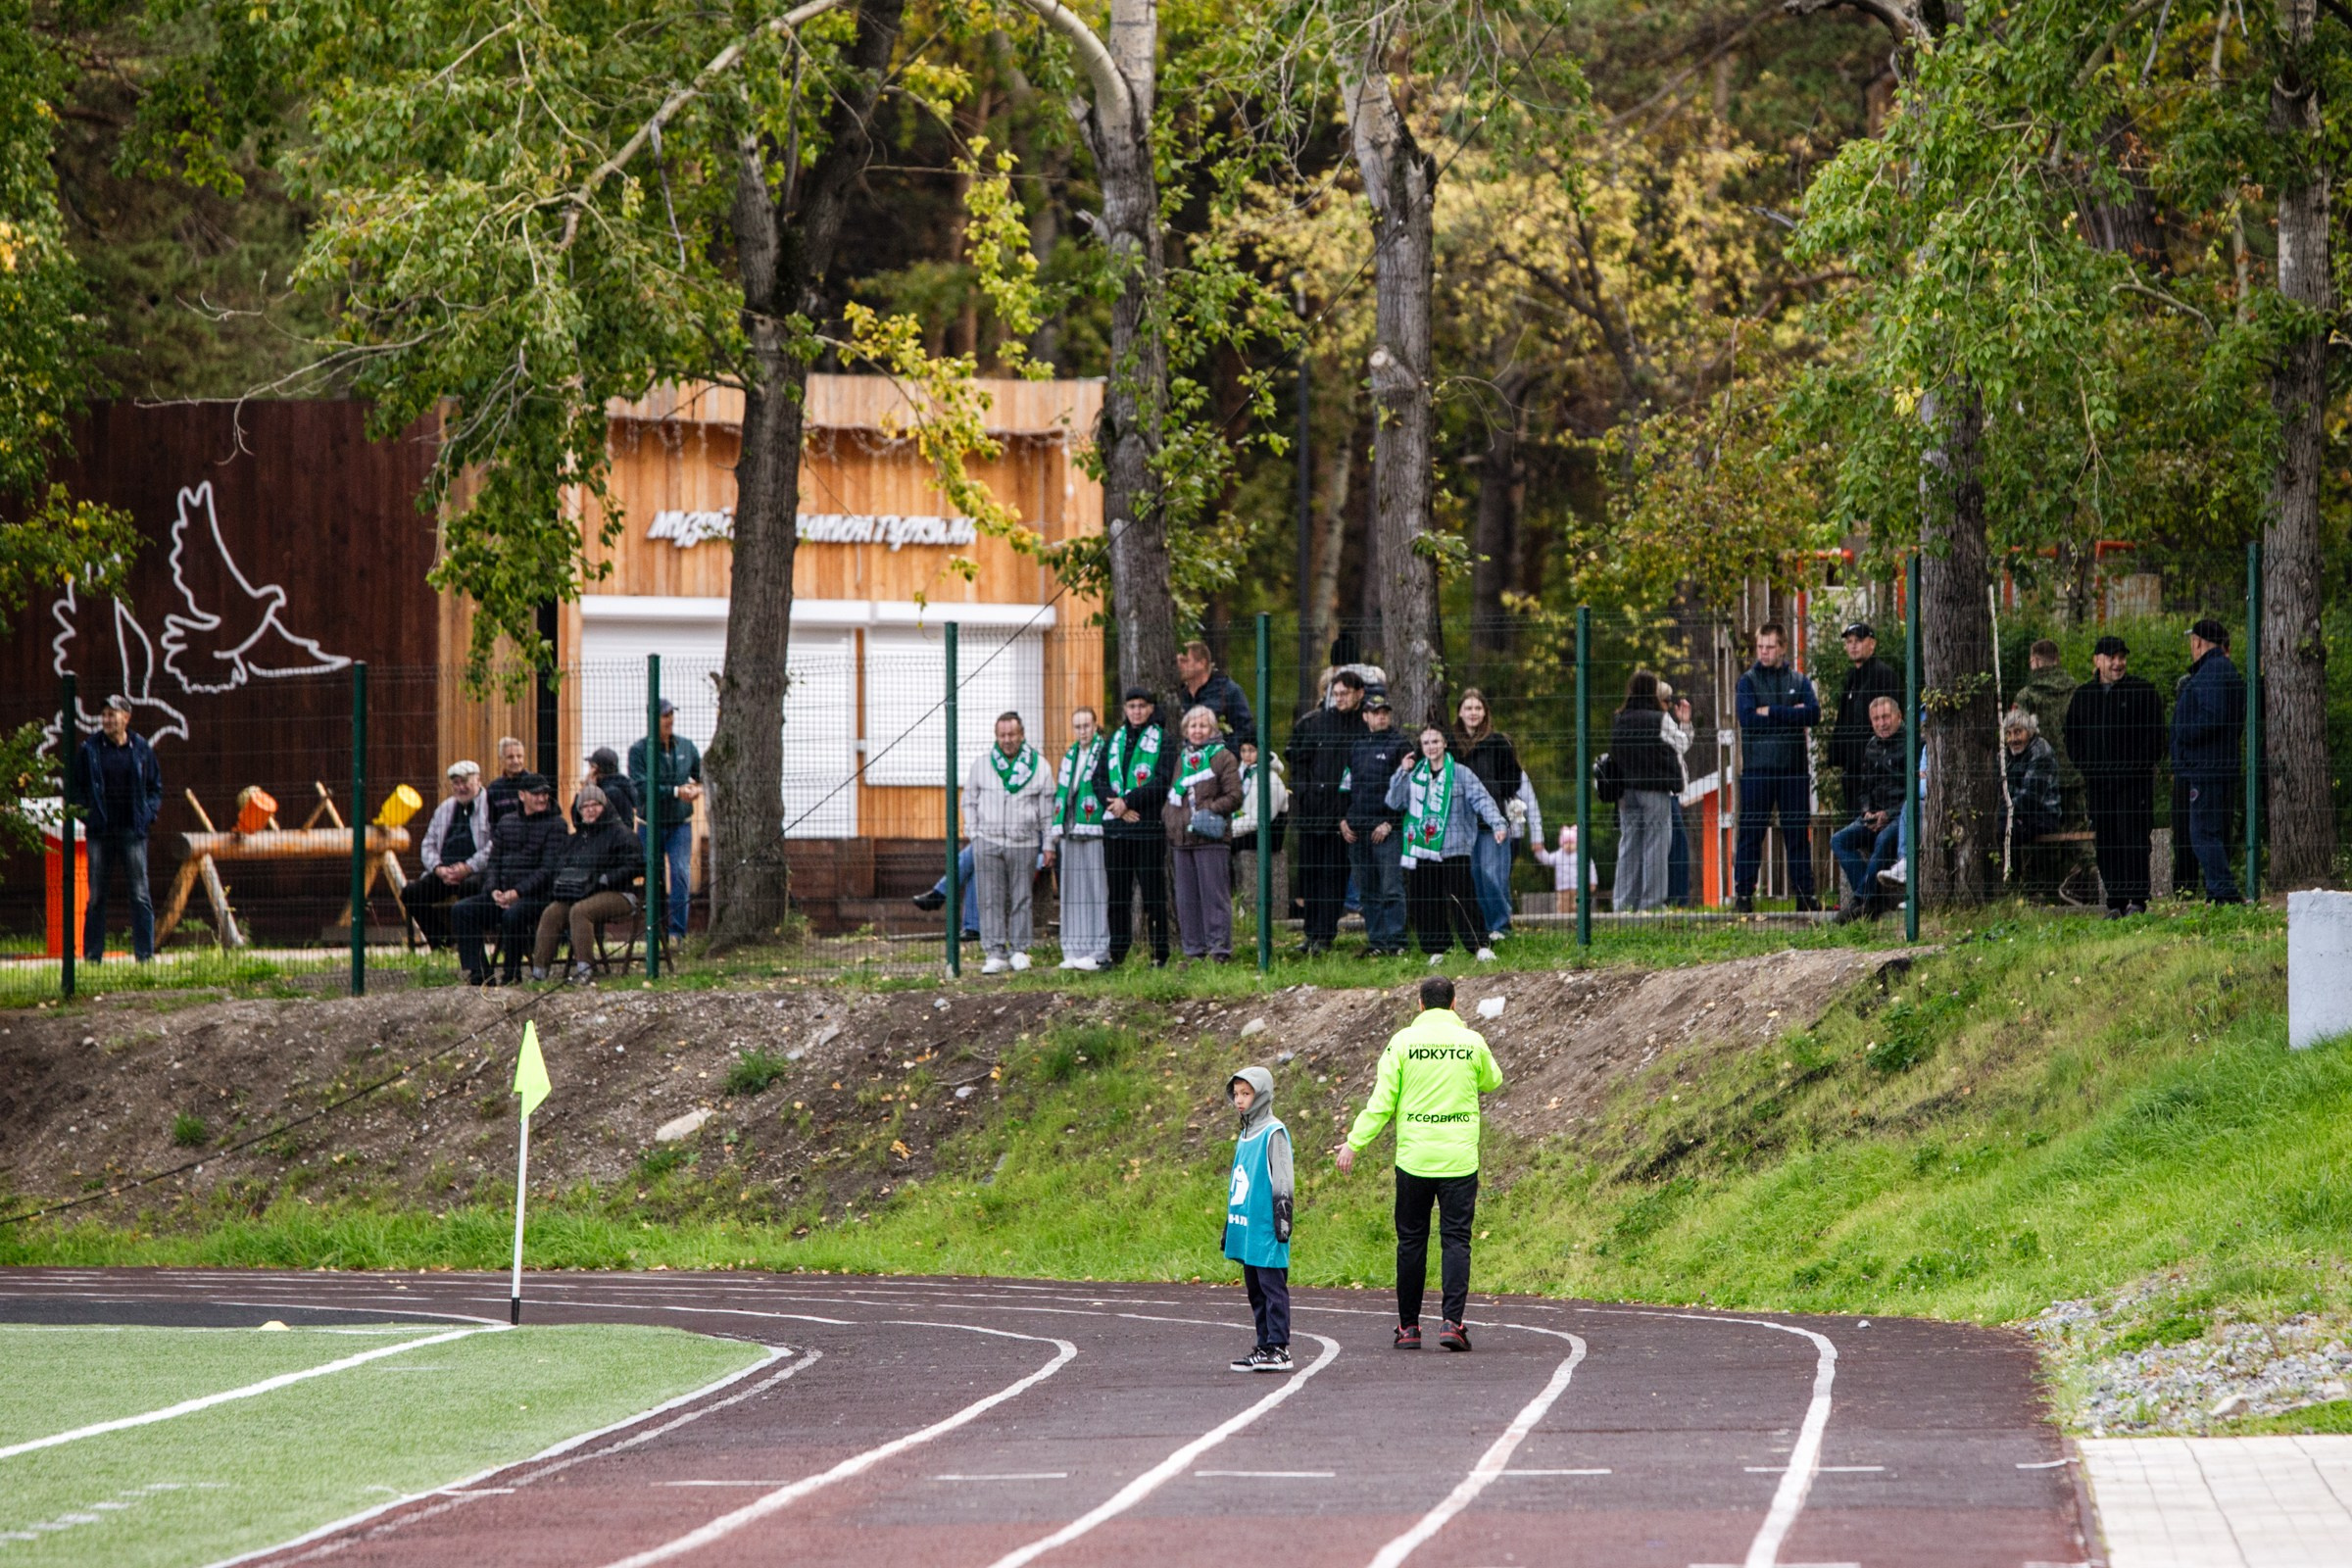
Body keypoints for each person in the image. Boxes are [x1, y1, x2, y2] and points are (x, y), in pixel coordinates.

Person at [1336, 975, 1504, 1351]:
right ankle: (1452, 1323)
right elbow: (1494, 1080)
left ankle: (1409, 1328)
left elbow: (1381, 1103)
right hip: (1459, 1159)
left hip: (1414, 1159)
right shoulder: (1471, 1042)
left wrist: (1353, 1143)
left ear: (1420, 1005)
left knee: (1411, 1242)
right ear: (1455, 1003)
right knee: (1456, 1241)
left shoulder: (1402, 1043)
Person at [2065, 635, 2168, 917]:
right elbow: (2071, 737)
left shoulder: (2142, 692)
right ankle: (2115, 900)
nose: (2117, 663)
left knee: (2133, 839)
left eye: (2122, 657)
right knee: (2107, 840)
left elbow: (2157, 736)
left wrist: (2139, 766)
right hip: (2099, 784)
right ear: (2097, 661)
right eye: (2111, 657)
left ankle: (2137, 899)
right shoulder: (2083, 697)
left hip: (2134, 784)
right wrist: (2087, 766)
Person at [1386, 724, 1507, 962]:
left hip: (1454, 846)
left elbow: (1482, 799)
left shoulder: (1460, 773)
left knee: (1462, 897)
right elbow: (1394, 801)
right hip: (1422, 848)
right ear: (1421, 747)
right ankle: (1436, 949)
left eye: (1435, 742)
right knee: (1427, 899)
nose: (1431, 747)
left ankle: (1479, 945)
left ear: (1445, 744)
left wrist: (1498, 824)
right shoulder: (1414, 775)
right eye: (1426, 743)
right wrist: (1401, 772)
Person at [1733, 621, 1821, 912]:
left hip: (1793, 769)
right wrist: (1789, 715)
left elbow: (1813, 714)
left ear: (1783, 647)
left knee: (1797, 833)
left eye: (1770, 646)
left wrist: (1770, 710)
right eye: (1760, 646)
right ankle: (1743, 895)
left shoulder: (1798, 680)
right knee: (1751, 832)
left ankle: (1805, 897)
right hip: (1758, 769)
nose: (1764, 652)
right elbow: (1747, 718)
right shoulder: (1747, 681)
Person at [960, 711, 1055, 974]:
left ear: (1022, 735)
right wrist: (974, 833)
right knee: (990, 898)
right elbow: (968, 800)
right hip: (988, 842)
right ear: (996, 736)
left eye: (1012, 734)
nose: (1007, 740)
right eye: (1002, 735)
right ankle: (994, 952)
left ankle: (1020, 950)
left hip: (1023, 841)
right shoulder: (982, 765)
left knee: (1021, 897)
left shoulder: (1040, 767)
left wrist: (1048, 843)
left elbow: (1048, 810)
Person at [72, 695, 163, 963]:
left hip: (132, 831)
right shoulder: (90, 749)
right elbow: (77, 789)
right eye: (105, 715)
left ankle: (145, 955)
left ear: (127, 717)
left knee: (139, 893)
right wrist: (88, 816)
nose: (108, 720)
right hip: (101, 832)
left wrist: (147, 816)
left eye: (113, 714)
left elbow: (155, 788)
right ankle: (92, 956)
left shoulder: (141, 747)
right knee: (97, 895)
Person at [452, 772, 566, 985]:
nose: (542, 799)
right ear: (522, 796)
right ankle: (480, 974)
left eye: (545, 794)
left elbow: (548, 869)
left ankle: (511, 974)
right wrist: (493, 889)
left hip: (537, 896)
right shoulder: (507, 822)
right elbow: (494, 862)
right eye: (536, 794)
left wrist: (518, 892)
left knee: (513, 915)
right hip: (503, 894)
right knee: (462, 910)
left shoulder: (556, 825)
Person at [1094, 687, 1176, 967]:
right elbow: (1098, 779)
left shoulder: (1164, 740)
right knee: (1118, 894)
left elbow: (1162, 781)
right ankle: (1117, 954)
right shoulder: (1114, 740)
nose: (1137, 711)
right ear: (1125, 709)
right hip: (1116, 829)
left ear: (1151, 708)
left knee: (1153, 893)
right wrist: (1115, 805)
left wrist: (1127, 802)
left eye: (1142, 705)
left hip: (1147, 827)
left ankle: (1159, 954)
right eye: (1131, 706)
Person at [1286, 669, 1366, 955]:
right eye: (1337, 693)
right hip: (1311, 811)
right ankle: (1310, 933)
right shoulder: (1315, 723)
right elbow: (1298, 761)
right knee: (1310, 874)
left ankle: (1324, 935)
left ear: (1359, 694)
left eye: (1346, 693)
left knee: (1333, 876)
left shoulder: (1363, 726)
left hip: (1341, 816)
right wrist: (1304, 793)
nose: (1340, 698)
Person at [529, 785, 643, 981]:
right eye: (585, 806)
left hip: (619, 894)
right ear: (579, 811)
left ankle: (585, 971)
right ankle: (539, 972)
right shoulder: (574, 840)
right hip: (579, 894)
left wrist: (605, 879)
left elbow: (635, 866)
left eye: (595, 805)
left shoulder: (622, 833)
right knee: (552, 913)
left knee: (581, 911)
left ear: (604, 806)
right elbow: (559, 867)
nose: (590, 809)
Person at [1223, 1064, 1295, 1372]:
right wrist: (1230, 1224)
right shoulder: (1245, 1133)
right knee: (1254, 1288)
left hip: (1268, 1227)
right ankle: (1264, 1344)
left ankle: (1279, 1348)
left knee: (1272, 1288)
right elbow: (1238, 1182)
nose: (1240, 1100)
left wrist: (1283, 1220)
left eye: (1246, 1093)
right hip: (1248, 1227)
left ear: (1261, 1094)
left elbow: (1282, 1179)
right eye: (1237, 1094)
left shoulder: (1273, 1132)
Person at [2172, 617, 2246, 902]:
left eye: (2193, 642)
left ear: (2199, 642)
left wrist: (2183, 731)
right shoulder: (2224, 670)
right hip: (2217, 764)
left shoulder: (2211, 672)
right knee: (2210, 831)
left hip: (2206, 767)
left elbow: (2212, 716)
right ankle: (2217, 891)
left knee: (2202, 833)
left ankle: (2224, 890)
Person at [1165, 706, 1244, 962]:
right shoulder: (1182, 759)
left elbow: (1234, 796)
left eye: (1203, 726)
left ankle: (1219, 950)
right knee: (1187, 899)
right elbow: (1173, 797)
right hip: (1182, 838)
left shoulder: (1223, 757)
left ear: (1212, 730)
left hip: (1211, 836)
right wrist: (1171, 819)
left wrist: (1207, 810)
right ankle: (1193, 951)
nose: (1197, 731)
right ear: (1186, 730)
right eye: (1193, 726)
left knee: (1214, 896)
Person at [1340, 692, 1411, 956]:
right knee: (1367, 890)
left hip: (1386, 830)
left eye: (1385, 712)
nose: (1382, 716)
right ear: (1365, 716)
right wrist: (1343, 820)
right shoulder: (1356, 747)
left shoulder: (1401, 745)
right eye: (1376, 712)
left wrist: (1391, 823)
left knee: (1391, 887)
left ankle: (1397, 943)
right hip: (1357, 830)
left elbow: (1407, 792)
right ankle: (1377, 943)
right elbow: (1345, 788)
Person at [1450, 689, 1524, 942]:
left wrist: (1494, 794)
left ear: (1485, 712)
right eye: (1468, 708)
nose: (1473, 713)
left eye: (1478, 708)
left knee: (1492, 874)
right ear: (1459, 712)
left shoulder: (1498, 743)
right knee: (1471, 875)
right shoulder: (1450, 745)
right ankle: (1478, 928)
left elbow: (1513, 779)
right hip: (1460, 823)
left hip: (1492, 821)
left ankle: (1500, 926)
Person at [628, 700, 705, 941]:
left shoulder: (687, 746)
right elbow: (641, 787)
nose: (669, 720)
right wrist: (675, 792)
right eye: (664, 716)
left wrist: (697, 790)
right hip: (649, 826)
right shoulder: (639, 751)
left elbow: (701, 776)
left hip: (680, 825)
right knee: (653, 876)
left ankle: (676, 933)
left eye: (671, 714)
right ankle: (655, 932)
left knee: (680, 873)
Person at [1609, 670, 1683, 914]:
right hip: (1654, 787)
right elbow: (1681, 743)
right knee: (1656, 845)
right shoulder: (1658, 718)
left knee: (1629, 845)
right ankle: (1650, 904)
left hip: (1625, 791)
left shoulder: (1620, 718)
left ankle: (1623, 904)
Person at [1831, 697, 1906, 922]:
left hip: (1900, 816)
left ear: (1898, 716)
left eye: (1885, 717)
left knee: (1883, 840)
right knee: (1839, 840)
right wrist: (1866, 811)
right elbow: (1863, 788)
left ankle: (1861, 901)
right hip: (1874, 814)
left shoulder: (1912, 743)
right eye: (1876, 719)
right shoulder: (1871, 746)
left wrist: (1889, 815)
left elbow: (1914, 791)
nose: (1881, 723)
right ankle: (1872, 901)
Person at [404, 760, 491, 951]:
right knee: (411, 892)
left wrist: (469, 867)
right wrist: (438, 868)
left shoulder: (490, 806)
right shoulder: (444, 809)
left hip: (476, 871)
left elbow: (494, 845)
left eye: (465, 782)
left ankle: (471, 945)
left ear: (478, 780)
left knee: (469, 888)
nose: (461, 787)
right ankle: (443, 943)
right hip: (446, 872)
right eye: (456, 783)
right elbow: (428, 844)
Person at [1049, 707, 1109, 970]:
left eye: (1087, 726)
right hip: (1070, 827)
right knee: (1072, 891)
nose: (1082, 731)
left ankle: (1099, 949)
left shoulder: (1105, 752)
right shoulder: (1070, 755)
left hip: (1095, 827)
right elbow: (1064, 791)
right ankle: (1073, 948)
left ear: (1096, 725)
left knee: (1097, 889)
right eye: (1078, 727)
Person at [1827, 621, 1902, 818]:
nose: (1853, 645)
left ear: (1872, 643)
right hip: (1852, 768)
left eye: (1858, 640)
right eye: (1849, 641)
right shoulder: (1852, 677)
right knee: (1854, 823)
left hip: (1875, 769)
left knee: (1870, 827)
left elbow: (1891, 721)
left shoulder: (1883, 675)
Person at [2000, 710, 2064, 896]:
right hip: (2017, 812)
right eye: (2009, 733)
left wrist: (2005, 811)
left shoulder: (2041, 751)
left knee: (2006, 829)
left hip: (2043, 814)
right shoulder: (2006, 754)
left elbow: (2031, 797)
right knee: (1998, 826)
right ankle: (2012, 884)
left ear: (2030, 731)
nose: (2013, 739)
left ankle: (2017, 887)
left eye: (2018, 732)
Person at [1231, 737, 1290, 918]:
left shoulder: (1270, 779)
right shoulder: (1241, 774)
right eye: (1244, 751)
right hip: (1243, 827)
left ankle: (1238, 905)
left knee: (1222, 845)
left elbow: (1261, 818)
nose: (1247, 756)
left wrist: (1229, 829)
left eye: (1252, 750)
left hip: (1267, 833)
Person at [1176, 640, 1256, 745]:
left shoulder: (1227, 691)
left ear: (1201, 663)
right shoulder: (1178, 694)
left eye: (1184, 661)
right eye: (1177, 661)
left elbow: (1246, 730)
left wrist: (1225, 755)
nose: (1178, 665)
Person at [1661, 689, 1696, 906]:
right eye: (1667, 700)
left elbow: (1680, 746)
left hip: (1671, 792)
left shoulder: (1664, 719)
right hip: (1666, 793)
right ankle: (1676, 900)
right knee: (1677, 848)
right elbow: (1680, 745)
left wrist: (1684, 724)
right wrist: (1683, 725)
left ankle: (1673, 899)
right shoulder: (1661, 719)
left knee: (1673, 846)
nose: (1670, 704)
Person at [1533, 823, 1598, 906]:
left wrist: (1592, 882)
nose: (1569, 845)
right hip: (1562, 888)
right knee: (1562, 906)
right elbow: (1548, 859)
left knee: (1578, 907)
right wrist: (1539, 852)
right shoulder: (1558, 855)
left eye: (1571, 842)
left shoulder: (1582, 855)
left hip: (1579, 888)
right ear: (1561, 843)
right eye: (1566, 843)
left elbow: (1591, 869)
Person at [577, 746, 639, 830]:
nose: (589, 772)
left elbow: (580, 820)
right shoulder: (617, 787)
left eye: (592, 767)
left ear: (597, 770)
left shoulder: (610, 793)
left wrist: (588, 790)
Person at [483, 736, 530, 824]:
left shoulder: (534, 783)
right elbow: (491, 822)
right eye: (510, 757)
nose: (516, 761)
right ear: (501, 760)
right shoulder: (494, 788)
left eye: (519, 756)